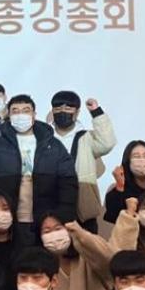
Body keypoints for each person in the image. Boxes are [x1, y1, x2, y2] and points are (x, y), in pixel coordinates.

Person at [0, 94, 78, 234]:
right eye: (15, 111)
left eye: (26, 110)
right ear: (8, 115)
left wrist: (64, 215)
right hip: (7, 218)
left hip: (44, 220)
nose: (21, 115)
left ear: (34, 115)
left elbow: (68, 182)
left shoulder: (53, 145)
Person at [47, 91, 116, 233]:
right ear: (52, 111)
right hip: (51, 203)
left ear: (77, 112)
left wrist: (96, 112)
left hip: (83, 205)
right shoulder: (45, 137)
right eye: (58, 108)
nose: (63, 112)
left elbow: (107, 143)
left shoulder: (87, 137)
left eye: (68, 108)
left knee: (87, 244)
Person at [38, 212, 113, 290]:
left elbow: (109, 259)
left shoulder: (88, 256)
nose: (54, 235)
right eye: (47, 231)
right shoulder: (42, 267)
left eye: (58, 229)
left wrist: (81, 235)